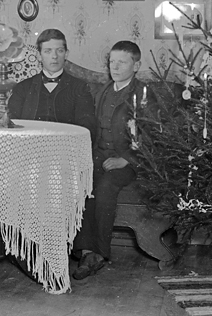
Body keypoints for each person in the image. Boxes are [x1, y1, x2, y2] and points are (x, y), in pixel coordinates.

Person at [72, 40, 147, 280]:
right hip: (98, 154)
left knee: (105, 186)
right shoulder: (103, 90)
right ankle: (84, 250)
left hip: (128, 162)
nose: (114, 67)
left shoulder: (143, 94)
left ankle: (98, 255)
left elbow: (151, 134)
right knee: (83, 182)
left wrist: (125, 159)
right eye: (112, 61)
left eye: (122, 62)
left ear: (136, 66)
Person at [8, 29, 96, 141]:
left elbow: (87, 130)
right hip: (30, 147)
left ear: (66, 54)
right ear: (39, 56)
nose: (54, 56)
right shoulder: (22, 88)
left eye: (59, 51)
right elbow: (12, 125)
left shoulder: (80, 88)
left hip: (65, 148)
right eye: (48, 51)